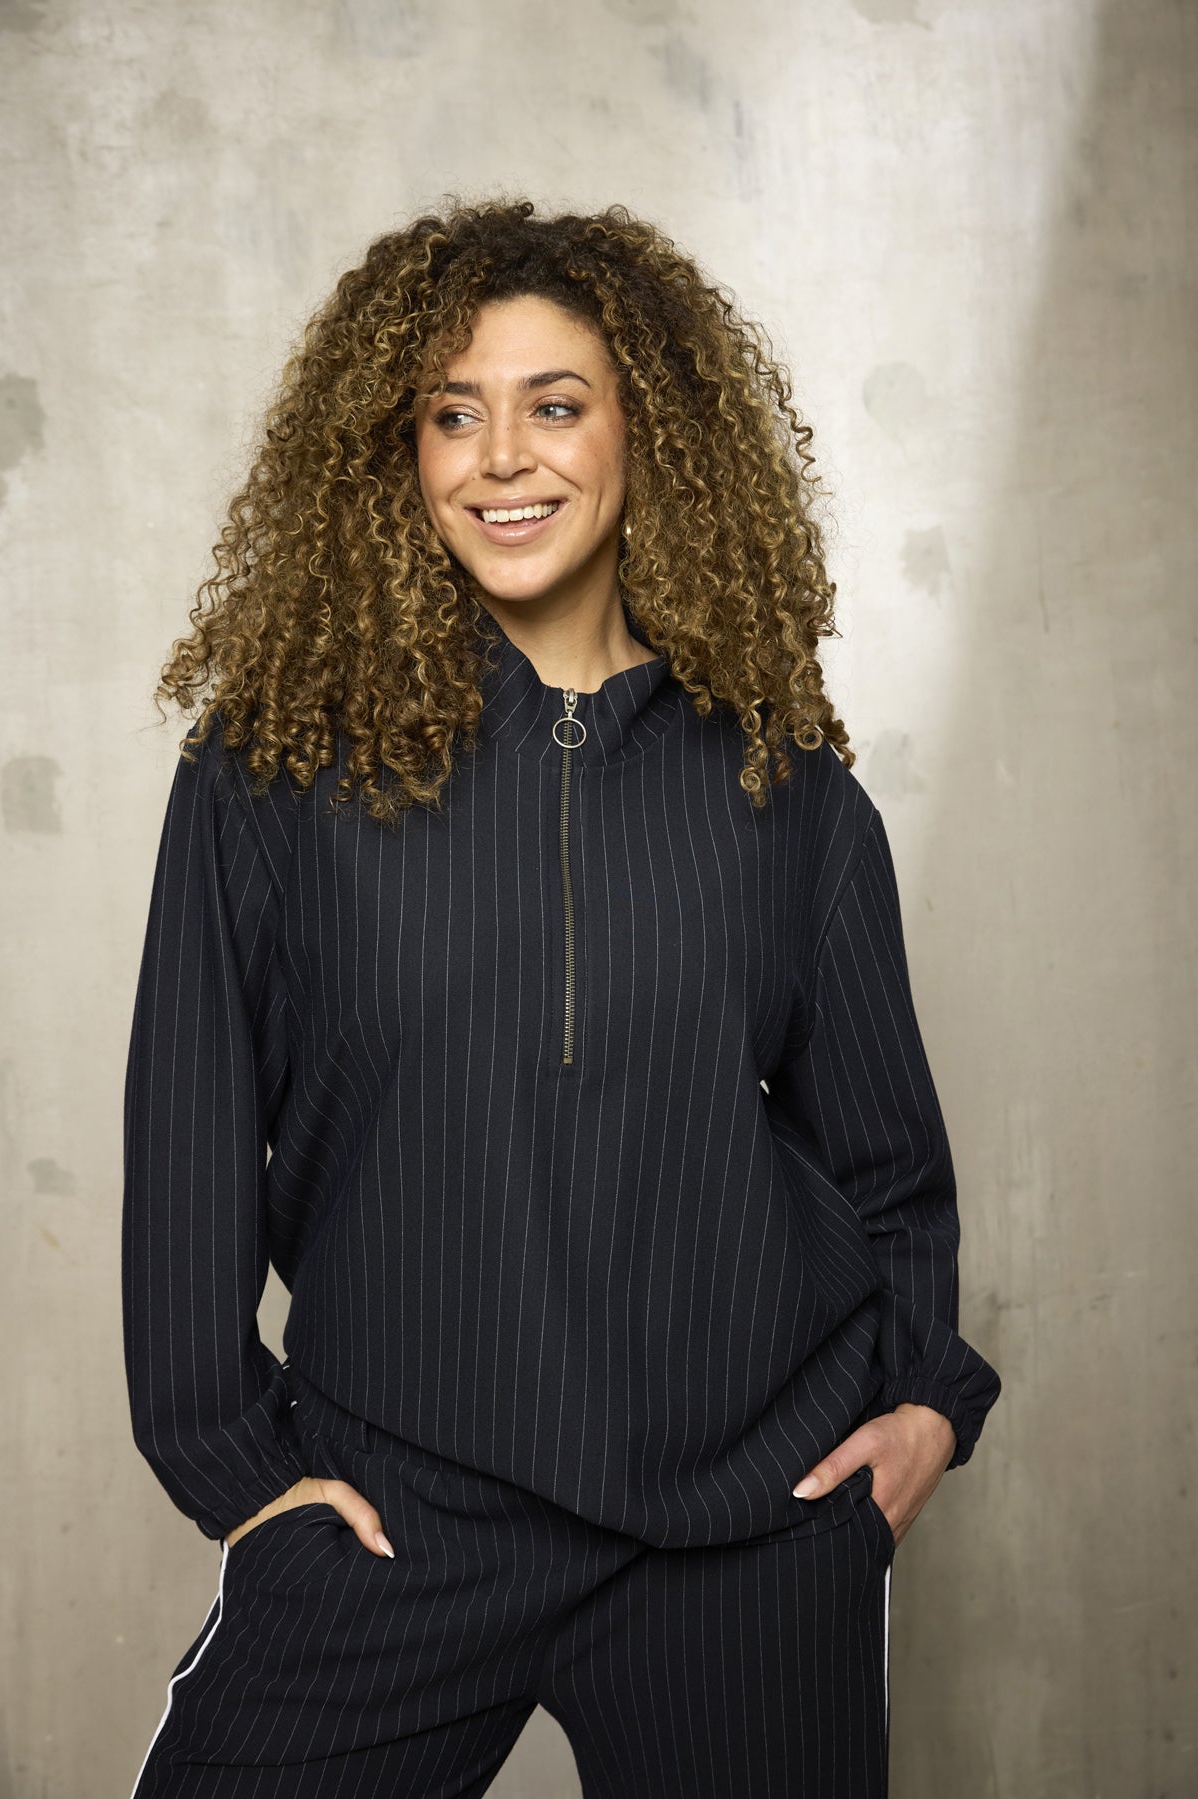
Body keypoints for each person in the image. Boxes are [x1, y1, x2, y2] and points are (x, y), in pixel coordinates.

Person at [122, 197, 1001, 1798]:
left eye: (555, 405)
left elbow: (889, 1163)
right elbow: (188, 1140)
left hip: (747, 1526)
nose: (501, 459)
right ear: (396, 452)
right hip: (395, 1507)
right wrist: (234, 1468)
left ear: (646, 431)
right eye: (453, 415)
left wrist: (929, 1401)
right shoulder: (273, 775)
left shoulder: (785, 789)